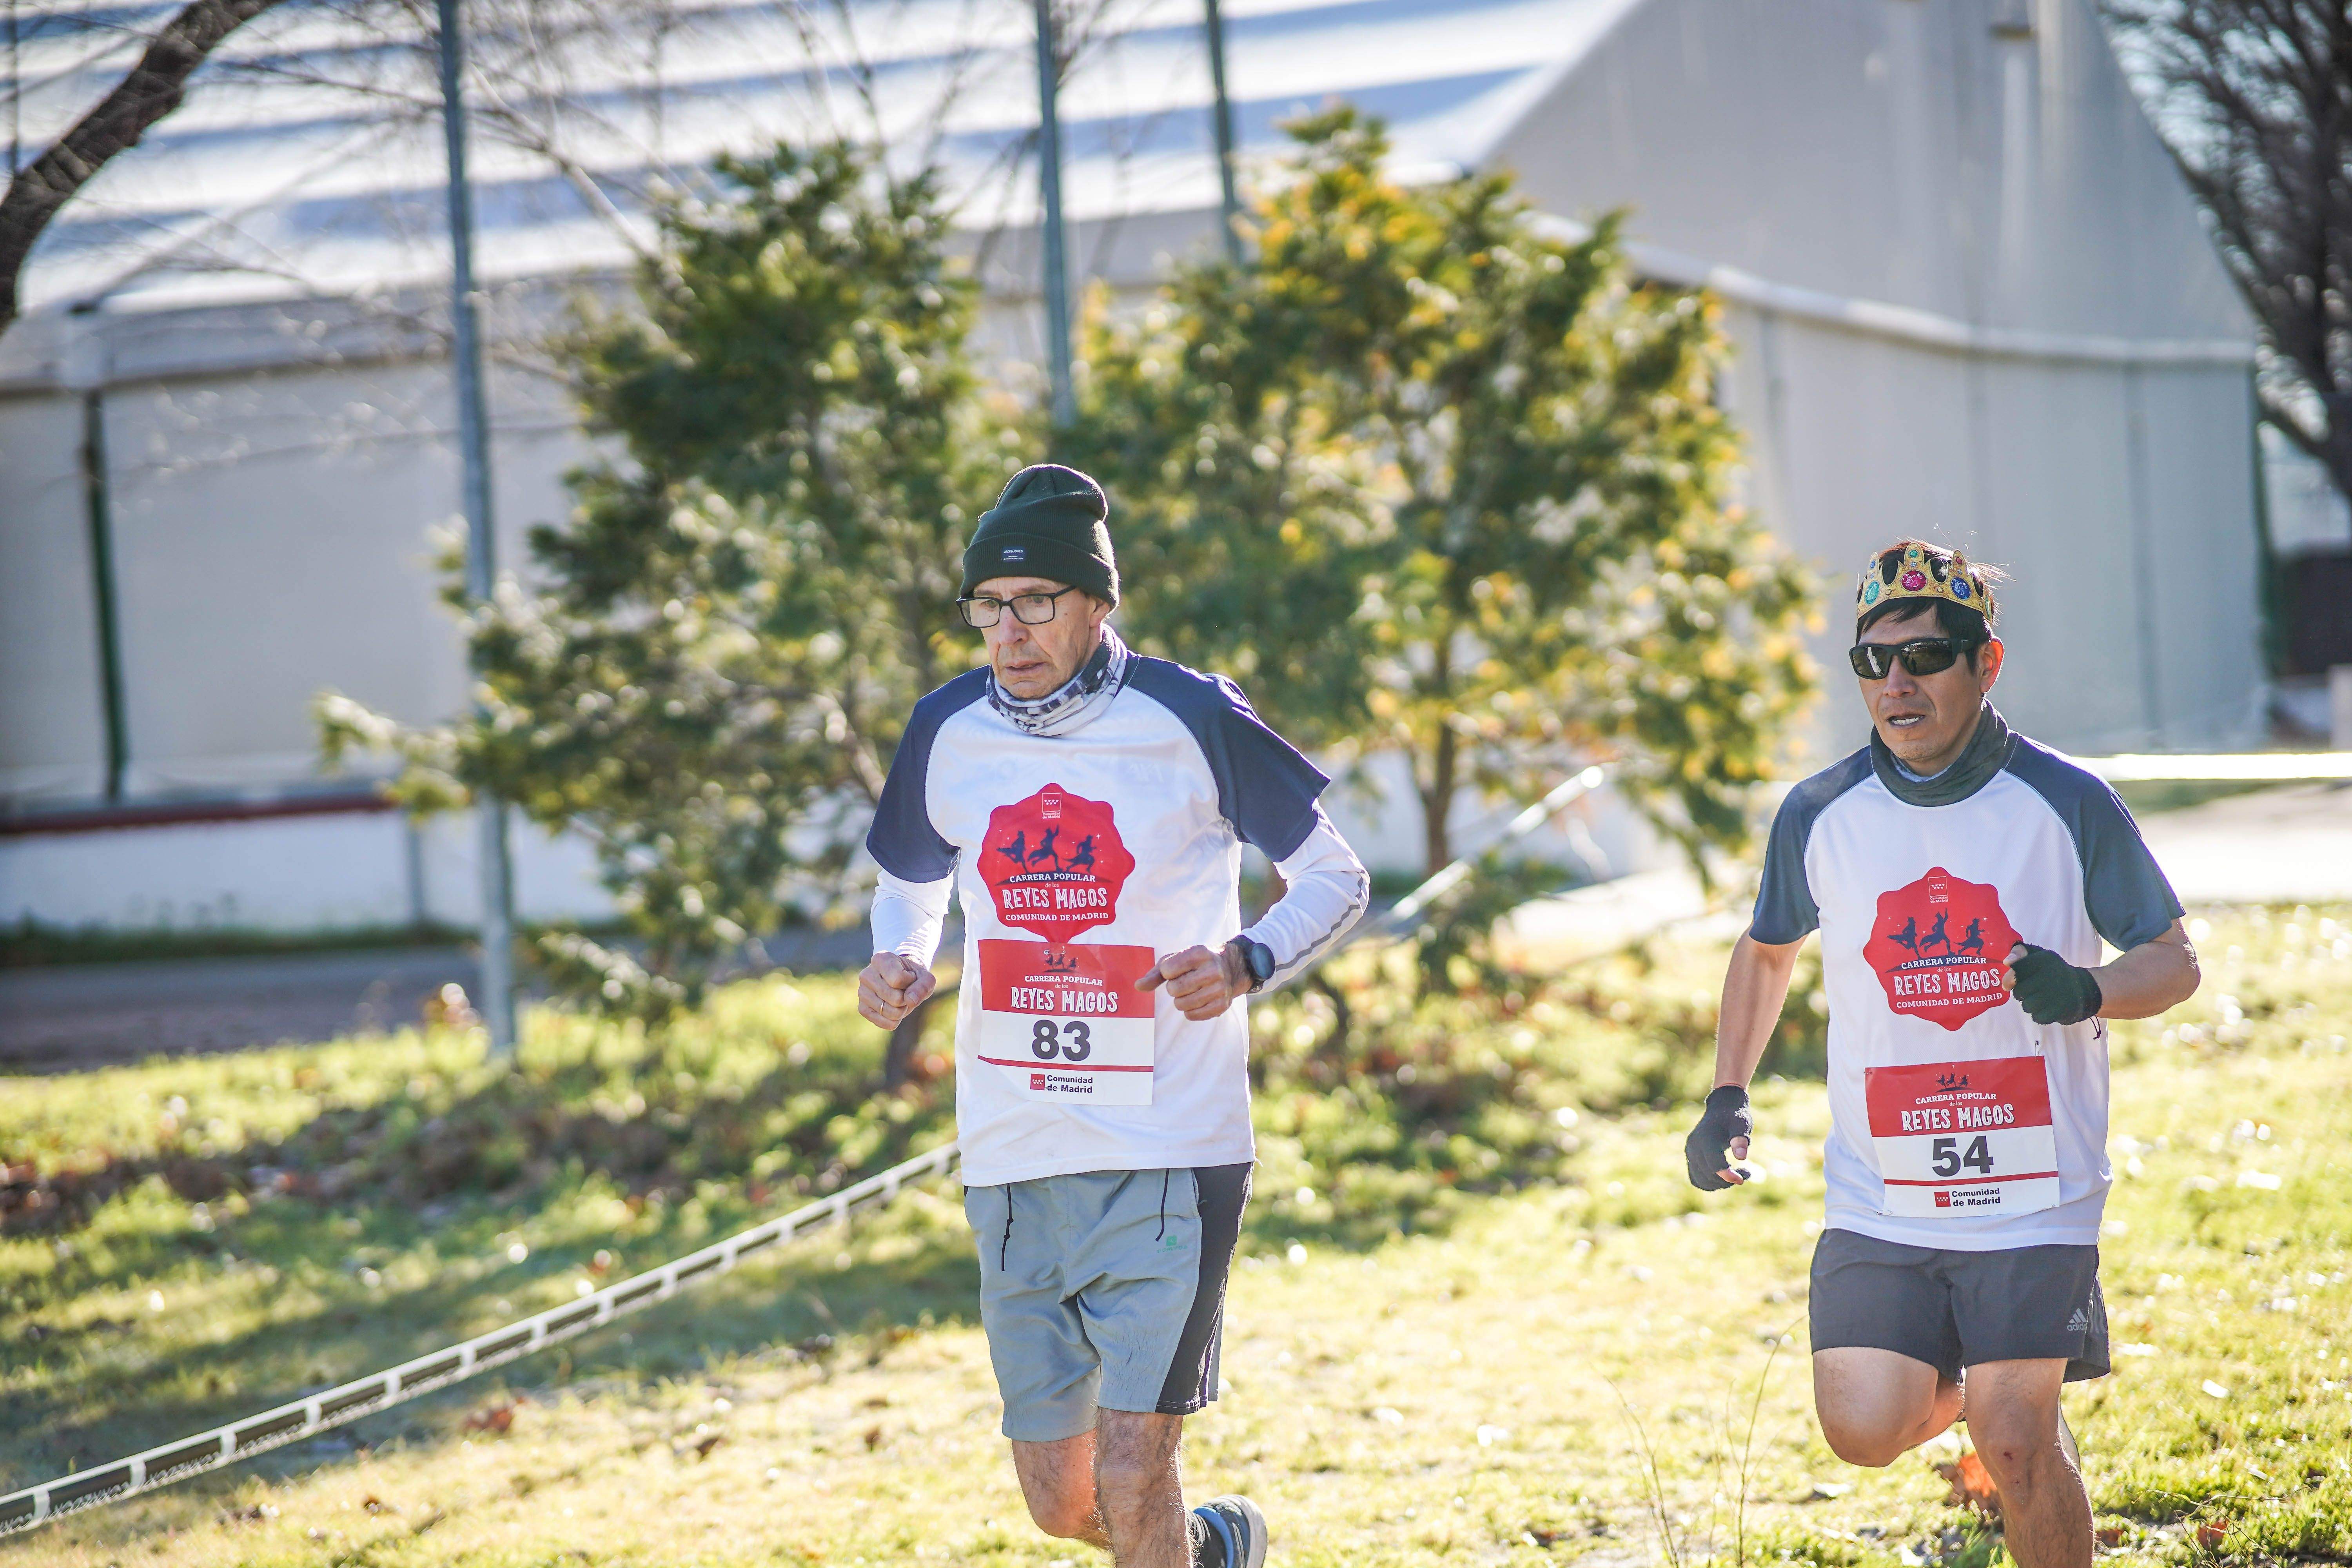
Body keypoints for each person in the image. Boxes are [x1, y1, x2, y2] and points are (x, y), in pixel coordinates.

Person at [856, 463, 1369, 1568]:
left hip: (1169, 1151)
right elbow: (909, 877)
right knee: (1065, 1502)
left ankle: (1179, 1537)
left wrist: (1245, 960)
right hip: (1012, 1156)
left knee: (1138, 1471)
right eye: (989, 605)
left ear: (1098, 605)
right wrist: (897, 956)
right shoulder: (946, 727)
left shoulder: (1188, 715)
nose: (1010, 629)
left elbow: (1336, 876)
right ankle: (1214, 1548)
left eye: (1038, 600)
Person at [1684, 541, 2199, 1568]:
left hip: (2032, 1181)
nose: (1897, 683)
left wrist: (2089, 988)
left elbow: (2175, 961)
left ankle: (2018, 1406)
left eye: (1924, 657)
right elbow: (1769, 948)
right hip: (1883, 1186)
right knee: (1863, 1428)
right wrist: (1726, 1093)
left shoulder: (2068, 801)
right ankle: (2006, 1388)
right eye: (1873, 663)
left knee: (2014, 1444)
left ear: (1986, 663)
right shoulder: (1819, 812)